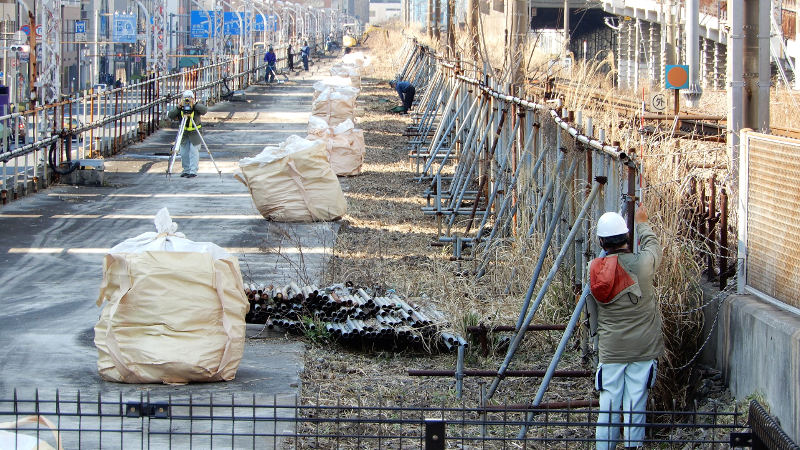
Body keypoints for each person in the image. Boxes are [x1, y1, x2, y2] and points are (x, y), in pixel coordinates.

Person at [587, 205, 663, 450]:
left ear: (601, 241)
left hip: (612, 349)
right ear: (627, 237)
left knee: (608, 404)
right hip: (643, 348)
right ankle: (633, 446)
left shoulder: (594, 269)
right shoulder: (644, 265)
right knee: (635, 403)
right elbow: (654, 247)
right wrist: (642, 223)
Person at [167, 90, 208, 178]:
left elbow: (204, 110)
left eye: (189, 98)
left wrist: (194, 104)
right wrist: (178, 107)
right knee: (183, 153)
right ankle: (186, 170)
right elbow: (170, 115)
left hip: (195, 133)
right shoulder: (180, 108)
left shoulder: (196, 107)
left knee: (194, 152)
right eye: (185, 98)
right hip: (184, 133)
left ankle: (193, 171)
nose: (187, 101)